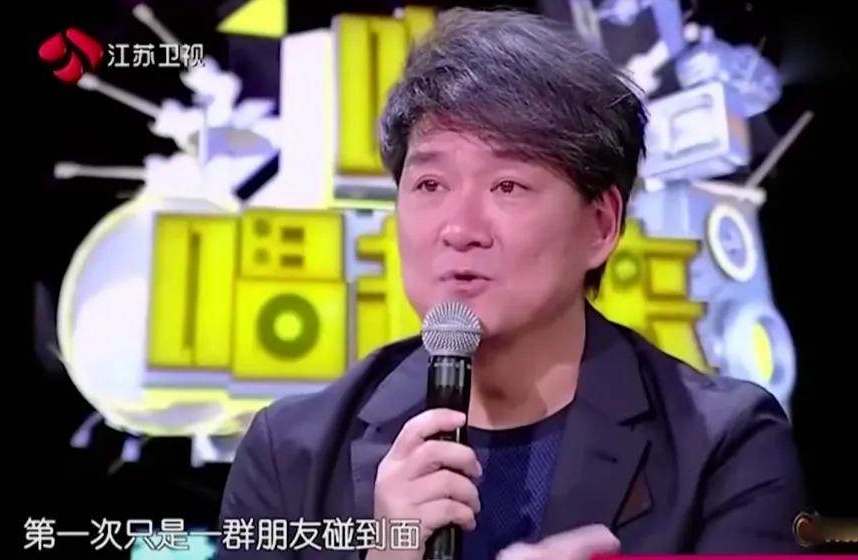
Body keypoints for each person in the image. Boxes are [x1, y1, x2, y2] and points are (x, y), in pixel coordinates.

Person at [220, 7, 805, 559]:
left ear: (601, 225)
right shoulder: (289, 454)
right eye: (429, 185)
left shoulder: (724, 447)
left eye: (508, 187)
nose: (458, 229)